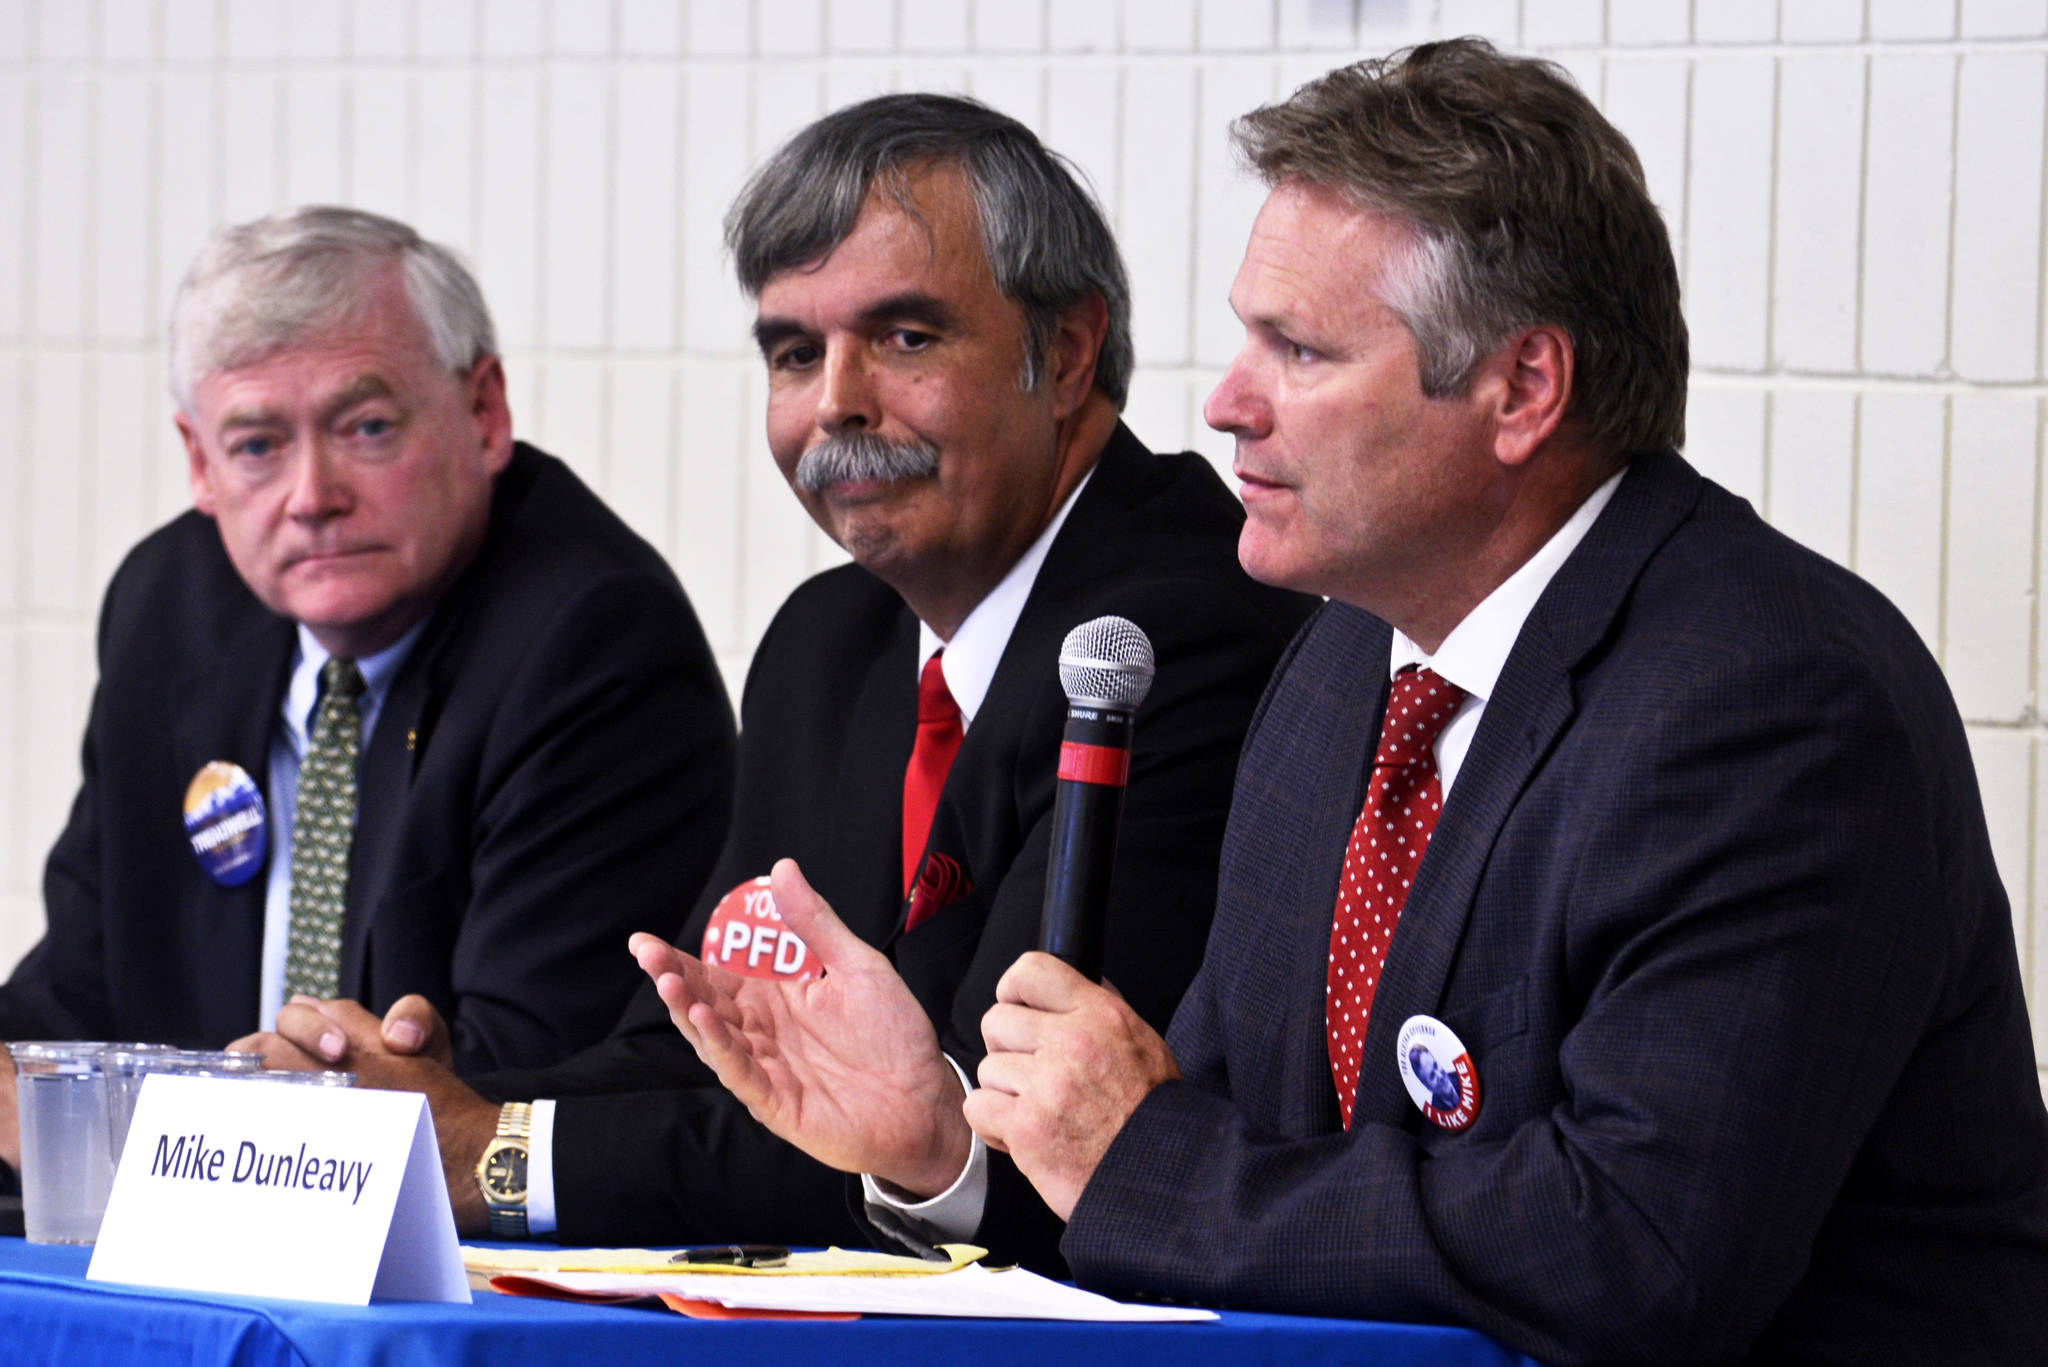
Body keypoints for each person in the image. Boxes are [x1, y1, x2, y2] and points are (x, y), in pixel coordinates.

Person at [634, 41, 2048, 1364]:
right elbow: (1242, 1166)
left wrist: (1142, 1148)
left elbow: (1641, 1243)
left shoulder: (1767, 701)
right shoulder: (1338, 668)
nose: (1229, 403)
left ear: (1521, 386)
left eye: (1300, 353)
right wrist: (944, 1143)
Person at [248, 96, 1314, 1246]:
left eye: (904, 339)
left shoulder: (1179, 636)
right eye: (795, 353)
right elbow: (722, 1045)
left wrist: (493, 1155)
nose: (835, 404)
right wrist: (448, 1102)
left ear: (1063, 354)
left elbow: (950, 1123)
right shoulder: (830, 637)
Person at [0, 207, 737, 1182]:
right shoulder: (170, 605)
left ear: (482, 411)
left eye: (366, 427)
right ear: (199, 463)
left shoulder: (592, 639)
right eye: (257, 443)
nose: (312, 492)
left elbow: (515, 1083)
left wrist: (221, 1126)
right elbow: (84, 989)